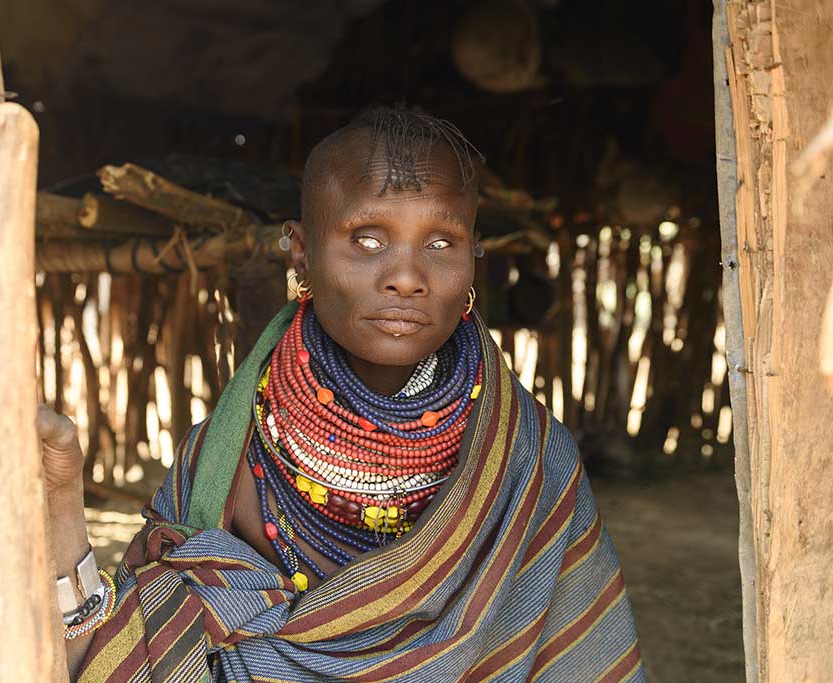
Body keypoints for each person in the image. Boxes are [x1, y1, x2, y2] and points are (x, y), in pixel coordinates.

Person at [39, 106, 644, 682]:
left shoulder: (530, 465)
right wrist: (65, 498)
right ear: (301, 251)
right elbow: (117, 657)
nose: (406, 276)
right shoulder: (226, 465)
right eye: (368, 239)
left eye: (441, 244)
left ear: (473, 259)